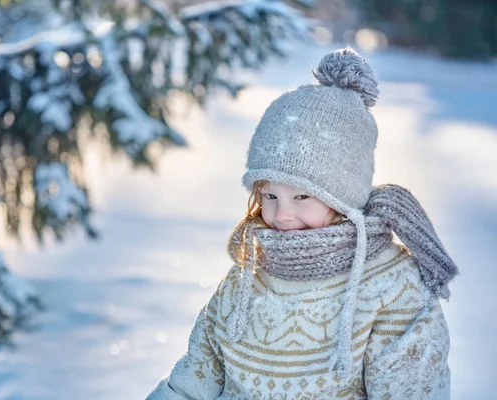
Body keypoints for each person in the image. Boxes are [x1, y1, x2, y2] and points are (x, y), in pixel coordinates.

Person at [147, 47, 458, 399]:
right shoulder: (249, 274)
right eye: (269, 196)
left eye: (302, 197)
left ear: (343, 197)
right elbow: (198, 373)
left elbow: (413, 388)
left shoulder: (391, 286)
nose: (282, 215)